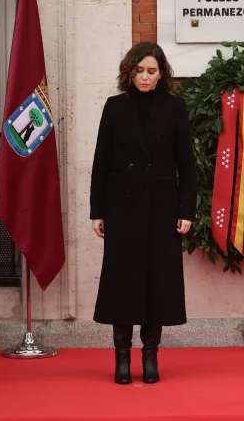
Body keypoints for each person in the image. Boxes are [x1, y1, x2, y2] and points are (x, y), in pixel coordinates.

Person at [90, 42, 197, 385]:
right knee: (122, 282)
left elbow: (187, 164)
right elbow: (102, 162)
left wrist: (186, 209)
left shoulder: (175, 107)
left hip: (162, 209)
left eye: (152, 71)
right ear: (130, 72)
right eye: (139, 71)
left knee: (158, 283)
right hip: (121, 209)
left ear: (162, 73)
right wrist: (97, 211)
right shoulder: (115, 107)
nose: (145, 77)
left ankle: (150, 356)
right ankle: (122, 358)